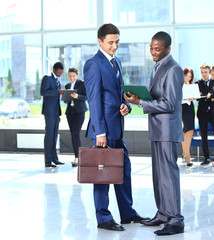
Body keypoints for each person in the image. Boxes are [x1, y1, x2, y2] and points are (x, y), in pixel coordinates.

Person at [83, 23, 147, 232]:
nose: (115, 46)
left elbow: (117, 93)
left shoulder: (116, 62)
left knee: (124, 170)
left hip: (117, 127)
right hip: (103, 131)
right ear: (100, 41)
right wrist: (100, 131)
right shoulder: (93, 64)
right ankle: (103, 217)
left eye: (117, 41)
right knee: (103, 175)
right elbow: (93, 99)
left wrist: (126, 105)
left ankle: (127, 213)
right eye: (110, 42)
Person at [124, 31, 185, 236]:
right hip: (157, 129)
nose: (153, 52)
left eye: (157, 49)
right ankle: (163, 213)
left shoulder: (174, 69)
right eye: (151, 48)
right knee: (158, 175)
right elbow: (156, 96)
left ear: (168, 49)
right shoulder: (158, 67)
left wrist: (140, 102)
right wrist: (139, 97)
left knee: (168, 174)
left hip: (167, 130)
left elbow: (169, 103)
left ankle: (176, 219)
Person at [40, 62, 65, 167]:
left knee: (54, 135)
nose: (60, 74)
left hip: (55, 112)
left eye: (61, 73)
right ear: (54, 70)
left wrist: (58, 114)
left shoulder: (57, 80)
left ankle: (54, 158)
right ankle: (48, 160)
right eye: (59, 72)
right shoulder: (47, 78)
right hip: (49, 112)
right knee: (49, 135)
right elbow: (43, 92)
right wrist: (57, 92)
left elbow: (57, 100)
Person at [64, 67, 88, 167]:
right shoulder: (67, 85)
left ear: (77, 75)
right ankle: (76, 156)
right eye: (70, 76)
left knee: (76, 133)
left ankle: (77, 158)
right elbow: (65, 100)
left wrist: (77, 96)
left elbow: (86, 97)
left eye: (73, 76)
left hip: (79, 112)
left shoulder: (82, 84)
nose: (71, 78)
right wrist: (66, 97)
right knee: (73, 135)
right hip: (70, 112)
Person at [181, 67, 195, 167]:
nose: (188, 78)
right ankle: (187, 155)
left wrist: (194, 98)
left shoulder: (191, 86)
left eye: (190, 77)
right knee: (188, 130)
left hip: (190, 108)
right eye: (186, 76)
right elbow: (178, 98)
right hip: (183, 107)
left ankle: (185, 153)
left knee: (187, 130)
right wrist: (187, 99)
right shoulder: (179, 85)